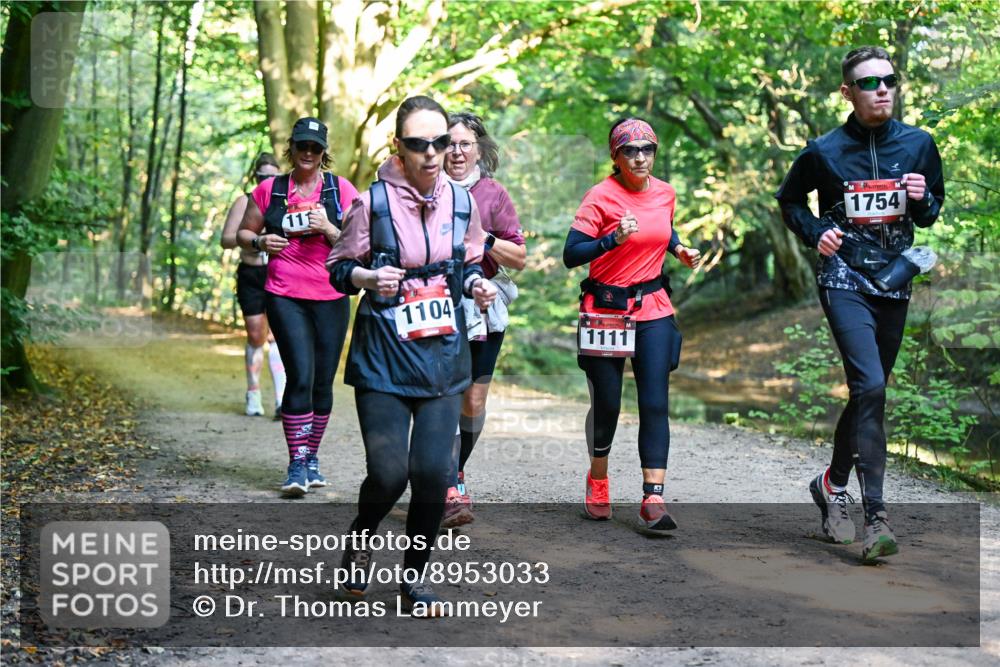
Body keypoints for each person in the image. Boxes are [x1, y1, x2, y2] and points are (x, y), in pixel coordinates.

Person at [327, 96, 497, 612]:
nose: (431, 153)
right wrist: (365, 276)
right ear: (398, 148)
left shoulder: (462, 204)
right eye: (418, 143)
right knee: (388, 475)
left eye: (440, 142)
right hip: (383, 358)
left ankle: (414, 579)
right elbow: (338, 268)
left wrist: (477, 288)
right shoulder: (372, 204)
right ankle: (360, 540)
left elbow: (466, 265)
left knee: (432, 475)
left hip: (443, 358)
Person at [775, 46, 944, 563]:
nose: (883, 90)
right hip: (844, 276)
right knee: (869, 385)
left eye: (889, 80)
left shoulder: (919, 145)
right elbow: (789, 201)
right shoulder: (823, 151)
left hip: (895, 279)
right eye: (870, 83)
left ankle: (831, 484)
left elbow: (932, 213)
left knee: (870, 390)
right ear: (848, 93)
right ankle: (877, 521)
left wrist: (920, 198)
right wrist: (817, 230)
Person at [563, 117, 701, 533]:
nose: (640, 157)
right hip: (606, 308)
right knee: (608, 403)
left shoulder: (665, 193)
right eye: (630, 150)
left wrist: (678, 247)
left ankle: (653, 498)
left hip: (653, 307)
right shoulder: (600, 197)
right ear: (616, 156)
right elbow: (572, 254)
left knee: (655, 402)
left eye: (647, 149)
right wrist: (611, 240)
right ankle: (599, 478)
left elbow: (662, 225)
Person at [237, 118, 359, 498]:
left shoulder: (341, 190)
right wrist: (260, 242)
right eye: (302, 146)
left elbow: (358, 243)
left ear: (324, 153)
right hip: (284, 292)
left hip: (331, 295)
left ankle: (311, 457)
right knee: (300, 375)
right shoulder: (270, 190)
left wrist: (327, 227)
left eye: (315, 148)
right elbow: (243, 233)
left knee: (323, 380)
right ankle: (295, 462)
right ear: (291, 148)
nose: (308, 153)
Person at [440, 112, 526, 528]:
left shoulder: (494, 194)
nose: (457, 151)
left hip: (482, 306)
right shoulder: (425, 188)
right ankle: (447, 484)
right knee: (438, 397)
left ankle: (451, 473)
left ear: (479, 149)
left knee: (473, 401)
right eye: (449, 143)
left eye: (465, 144)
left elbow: (520, 258)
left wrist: (485, 239)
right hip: (432, 303)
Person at [220, 152, 286, 418]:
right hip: (251, 274)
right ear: (255, 177)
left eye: (272, 176)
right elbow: (226, 239)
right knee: (257, 335)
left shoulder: (284, 202)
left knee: (279, 336)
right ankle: (253, 393)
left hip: (278, 272)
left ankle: (282, 399)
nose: (267, 181)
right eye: (262, 176)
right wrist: (253, 238)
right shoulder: (244, 202)